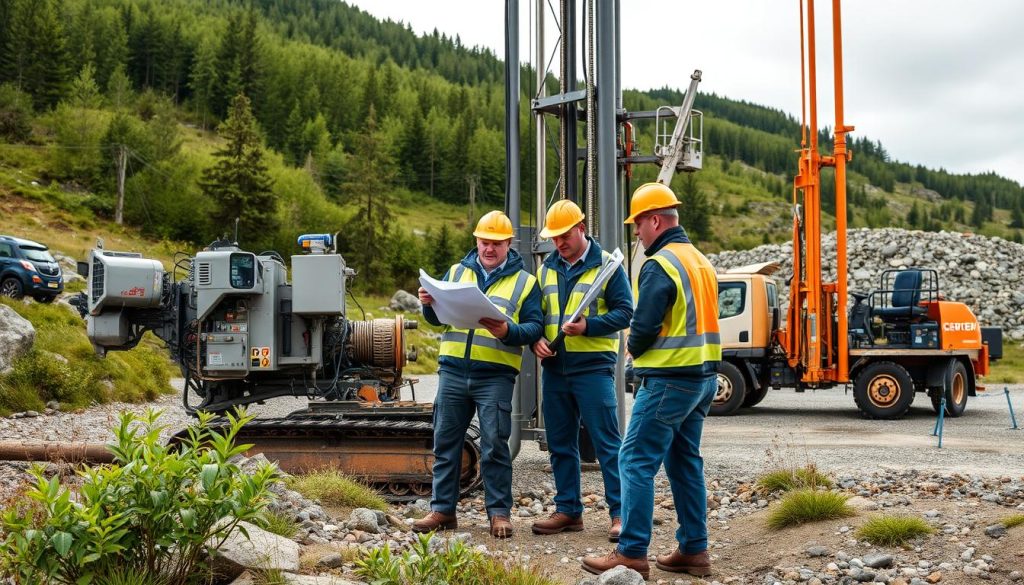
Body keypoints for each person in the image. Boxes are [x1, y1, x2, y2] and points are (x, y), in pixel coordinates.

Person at [582, 183, 721, 579]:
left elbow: (642, 326)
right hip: (703, 378)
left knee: (634, 460)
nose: (637, 233)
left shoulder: (660, 264)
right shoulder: (699, 260)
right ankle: (695, 550)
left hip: (668, 379)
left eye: (639, 224)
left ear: (656, 220)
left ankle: (631, 552)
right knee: (684, 463)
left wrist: (635, 352)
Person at [414, 210, 543, 539]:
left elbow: (533, 328)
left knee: (495, 445)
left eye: (496, 244)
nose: (489, 249)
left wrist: (506, 331)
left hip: (495, 376)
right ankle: (442, 511)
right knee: (445, 442)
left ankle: (499, 513)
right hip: (453, 371)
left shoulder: (526, 282)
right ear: (476, 241)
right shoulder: (457, 271)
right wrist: (428, 303)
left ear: (509, 244)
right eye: (485, 242)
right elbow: (436, 318)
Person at [529, 200, 633, 542]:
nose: (559, 242)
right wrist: (536, 342)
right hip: (556, 368)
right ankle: (569, 511)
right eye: (554, 237)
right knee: (560, 443)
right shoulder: (545, 270)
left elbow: (624, 313)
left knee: (607, 444)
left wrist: (589, 326)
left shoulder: (608, 265)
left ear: (581, 229)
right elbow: (536, 318)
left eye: (564, 235)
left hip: (593, 368)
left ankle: (621, 515)